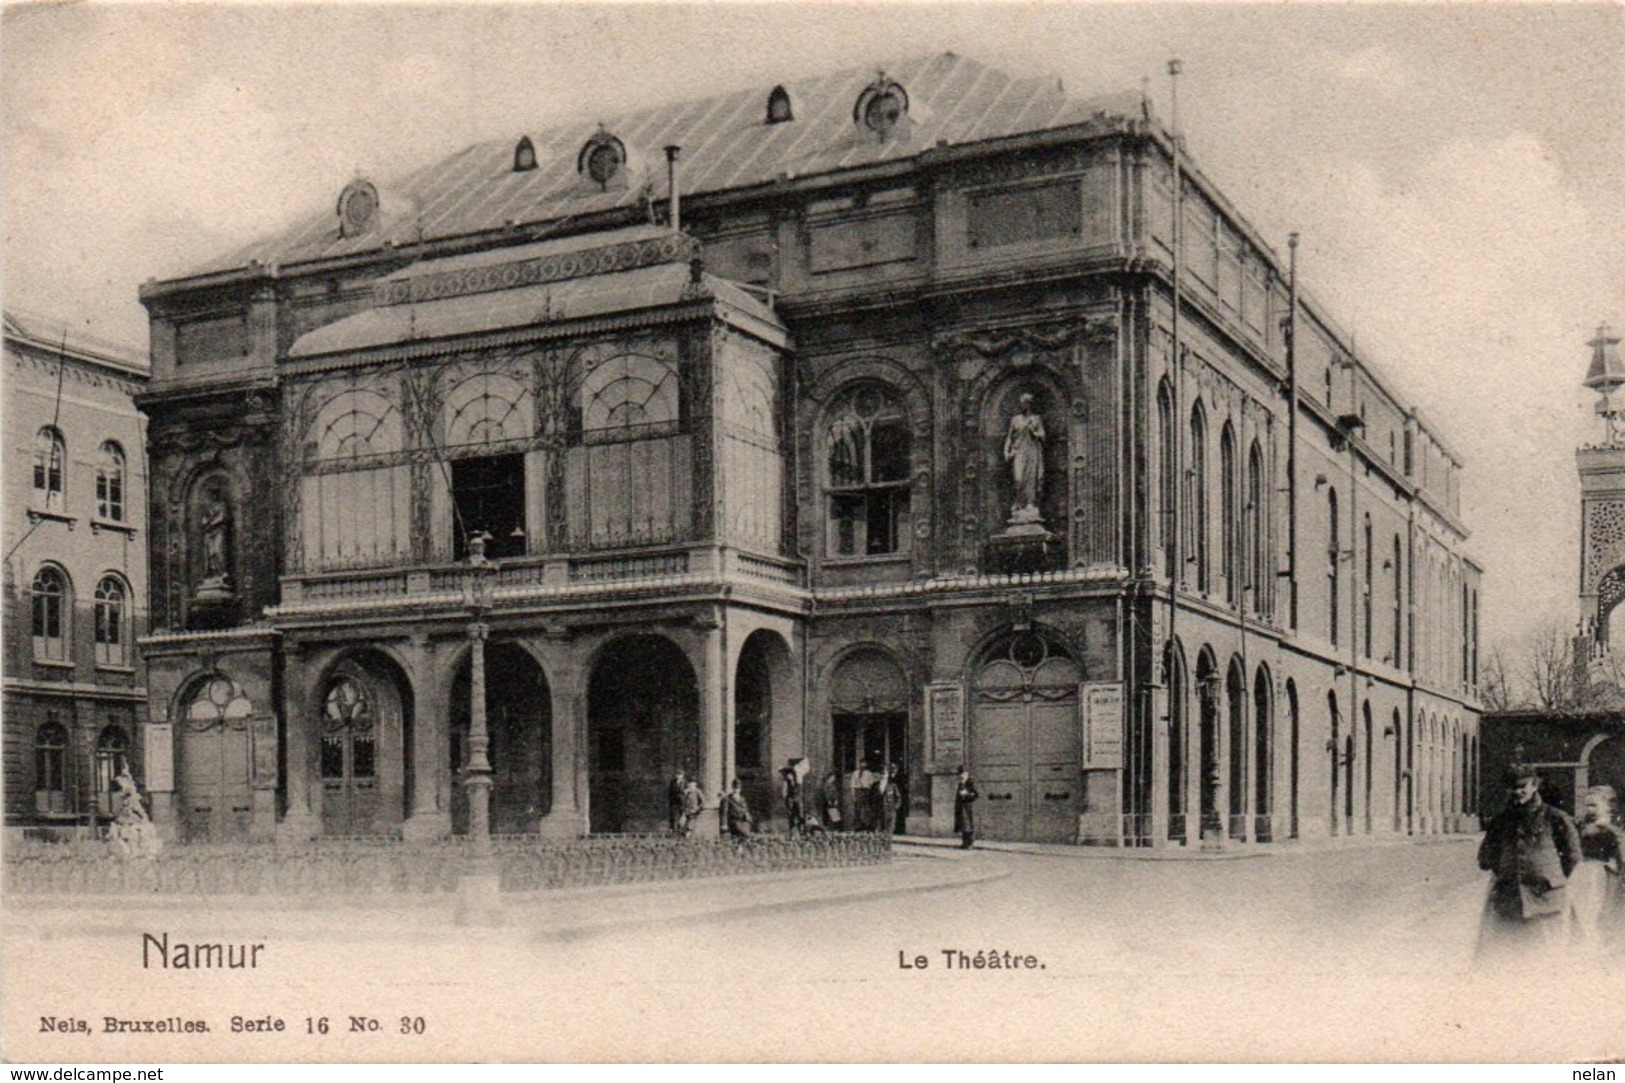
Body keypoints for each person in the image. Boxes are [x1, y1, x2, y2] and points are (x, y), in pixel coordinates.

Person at [1476, 764, 1582, 965]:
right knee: (1508, 959)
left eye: (1523, 786)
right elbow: (1486, 857)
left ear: (1535, 785)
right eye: (1512, 788)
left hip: (1545, 903)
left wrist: (1549, 878)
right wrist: (1508, 873)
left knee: (1545, 959)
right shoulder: (1500, 821)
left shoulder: (1556, 818)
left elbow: (1572, 856)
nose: (1517, 792)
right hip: (1509, 901)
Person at [1572, 784, 1624, 947]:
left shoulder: (1611, 831)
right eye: (1587, 805)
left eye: (1594, 805)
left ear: (1608, 806)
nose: (1589, 810)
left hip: (1601, 875)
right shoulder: (1581, 827)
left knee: (1597, 911)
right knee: (1578, 911)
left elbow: (1620, 858)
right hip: (1581, 873)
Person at [1003, 392, 1046, 523]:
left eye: (1026, 402)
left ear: (1030, 403)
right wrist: (1006, 451)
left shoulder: (1036, 419)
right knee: (1018, 478)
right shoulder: (1015, 419)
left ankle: (1030, 504)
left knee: (1032, 479)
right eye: (1022, 402)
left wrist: (1034, 432)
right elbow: (1009, 437)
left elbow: (1043, 435)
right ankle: (1019, 505)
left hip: (1032, 451)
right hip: (1019, 451)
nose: (1023, 405)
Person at [780, 758, 808, 837]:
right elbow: (784, 790)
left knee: (800, 814)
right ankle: (792, 832)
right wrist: (786, 797)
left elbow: (799, 787)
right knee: (791, 815)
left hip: (797, 797)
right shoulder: (787, 780)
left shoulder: (798, 778)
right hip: (791, 798)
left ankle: (802, 831)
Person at [954, 765, 979, 850]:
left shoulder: (969, 784)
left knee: (967, 825)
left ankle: (969, 843)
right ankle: (964, 842)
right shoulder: (961, 783)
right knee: (962, 825)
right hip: (961, 807)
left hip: (967, 807)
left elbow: (975, 795)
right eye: (961, 774)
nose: (961, 776)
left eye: (964, 774)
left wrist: (967, 795)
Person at [850, 760, 877, 832]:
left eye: (864, 764)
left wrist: (869, 792)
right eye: (861, 763)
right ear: (859, 764)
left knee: (867, 809)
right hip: (858, 791)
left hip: (866, 791)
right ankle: (858, 826)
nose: (862, 765)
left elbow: (871, 784)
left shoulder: (869, 773)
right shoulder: (855, 773)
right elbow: (852, 785)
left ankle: (868, 826)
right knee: (858, 809)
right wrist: (853, 796)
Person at [882, 764, 904, 837]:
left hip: (896, 797)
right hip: (890, 799)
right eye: (891, 768)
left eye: (894, 768)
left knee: (897, 815)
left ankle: (898, 829)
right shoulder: (888, 778)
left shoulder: (900, 776)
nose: (893, 770)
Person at [667, 769, 687, 834]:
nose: (678, 776)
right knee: (672, 814)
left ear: (682, 776)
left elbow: (686, 792)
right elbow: (670, 791)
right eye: (677, 775)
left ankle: (681, 829)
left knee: (682, 815)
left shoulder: (685, 782)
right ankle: (672, 828)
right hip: (673, 800)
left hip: (682, 801)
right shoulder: (672, 782)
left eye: (680, 775)